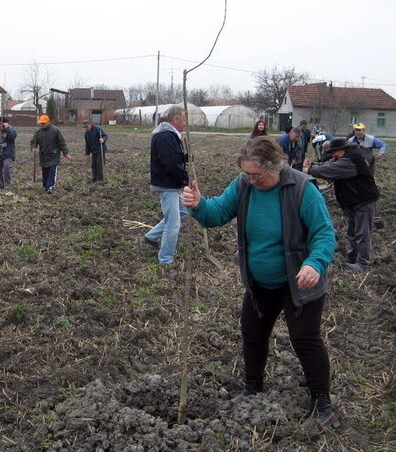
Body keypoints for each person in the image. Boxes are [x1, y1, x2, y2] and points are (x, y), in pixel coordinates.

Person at [182, 136, 338, 428]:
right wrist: (199, 204)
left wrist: (314, 263)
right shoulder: (243, 186)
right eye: (247, 173)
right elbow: (216, 214)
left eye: (258, 174)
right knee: (252, 335)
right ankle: (252, 389)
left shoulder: (302, 189)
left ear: (276, 167)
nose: (252, 179)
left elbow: (324, 234)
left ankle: (322, 404)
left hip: (299, 283)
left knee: (305, 340)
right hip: (260, 284)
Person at [303, 138, 380, 272]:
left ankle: (363, 264)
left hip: (364, 201)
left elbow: (329, 170)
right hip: (352, 202)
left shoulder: (351, 160)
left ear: (342, 149)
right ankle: (351, 259)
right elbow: (327, 164)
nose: (332, 155)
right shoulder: (343, 157)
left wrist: (310, 169)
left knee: (362, 234)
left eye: (334, 152)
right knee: (351, 232)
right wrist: (314, 164)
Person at [143, 105, 189, 265]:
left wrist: (186, 158)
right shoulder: (165, 137)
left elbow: (175, 158)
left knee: (184, 212)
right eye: (183, 119)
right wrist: (185, 181)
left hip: (172, 184)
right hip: (167, 184)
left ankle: (151, 237)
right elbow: (170, 164)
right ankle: (165, 259)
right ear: (175, 120)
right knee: (173, 224)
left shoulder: (171, 136)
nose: (185, 123)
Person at [30, 114, 71, 193]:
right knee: (45, 171)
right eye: (41, 123)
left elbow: (61, 142)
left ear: (48, 122)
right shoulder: (38, 132)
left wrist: (66, 153)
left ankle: (50, 187)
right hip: (43, 155)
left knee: (52, 171)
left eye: (43, 123)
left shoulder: (55, 130)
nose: (42, 125)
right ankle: (46, 186)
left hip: (53, 155)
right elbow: (33, 142)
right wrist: (33, 148)